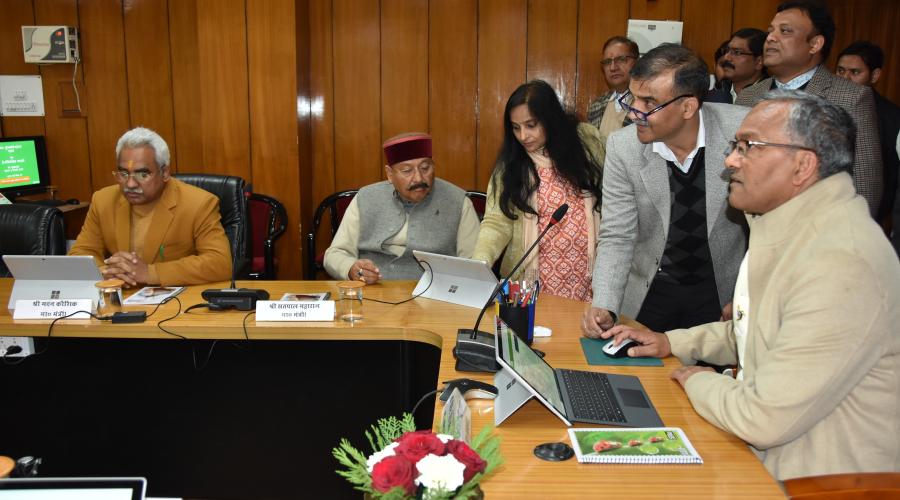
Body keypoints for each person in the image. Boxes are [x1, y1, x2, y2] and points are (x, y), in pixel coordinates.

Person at [597, 90, 900, 482]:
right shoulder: (797, 230)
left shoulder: (843, 260)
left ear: (802, 166)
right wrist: (672, 343)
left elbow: (762, 417)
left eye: (748, 147)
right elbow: (759, 330)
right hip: (772, 462)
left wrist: (699, 379)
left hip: (819, 483)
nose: (729, 161)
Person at [581, 44, 748, 336]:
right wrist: (604, 304)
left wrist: (748, 295)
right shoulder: (624, 147)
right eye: (634, 99)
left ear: (688, 106)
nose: (634, 113)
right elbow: (618, 234)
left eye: (649, 103)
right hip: (651, 290)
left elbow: (768, 226)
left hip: (721, 291)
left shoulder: (743, 132)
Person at [735, 1, 883, 216]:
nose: (770, 38)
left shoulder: (851, 97)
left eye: (784, 31)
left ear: (815, 44)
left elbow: (865, 181)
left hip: (820, 231)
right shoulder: (747, 97)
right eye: (770, 31)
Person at [473, 80, 604, 302]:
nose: (523, 136)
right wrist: (480, 261)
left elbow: (612, 198)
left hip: (589, 275)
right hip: (534, 279)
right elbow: (496, 222)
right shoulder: (511, 164)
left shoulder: (587, 142)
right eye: (516, 128)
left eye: (531, 125)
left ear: (550, 118)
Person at [69, 127, 232, 286]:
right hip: (120, 300)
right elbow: (80, 254)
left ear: (165, 173)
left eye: (143, 174)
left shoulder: (199, 203)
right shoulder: (103, 200)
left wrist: (150, 273)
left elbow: (220, 263)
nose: (131, 184)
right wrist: (106, 273)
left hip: (175, 303)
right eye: (123, 174)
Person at [323, 132, 480, 284]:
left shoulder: (458, 201)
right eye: (407, 171)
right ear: (390, 174)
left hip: (435, 295)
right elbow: (335, 254)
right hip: (374, 291)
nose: (419, 178)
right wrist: (352, 269)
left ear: (434, 165)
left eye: (425, 168)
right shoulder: (366, 198)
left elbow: (475, 263)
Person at [836, 41, 900, 229]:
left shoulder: (891, 116)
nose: (845, 78)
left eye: (855, 72)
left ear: (875, 75)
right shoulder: (823, 105)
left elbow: (890, 177)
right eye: (840, 71)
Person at [586, 37, 639, 139]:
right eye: (607, 62)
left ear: (637, 62)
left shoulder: (648, 103)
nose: (613, 67)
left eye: (621, 59)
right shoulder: (597, 105)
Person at [708, 29, 767, 104]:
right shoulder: (711, 97)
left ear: (759, 62)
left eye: (737, 52)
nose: (726, 57)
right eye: (727, 51)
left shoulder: (773, 98)